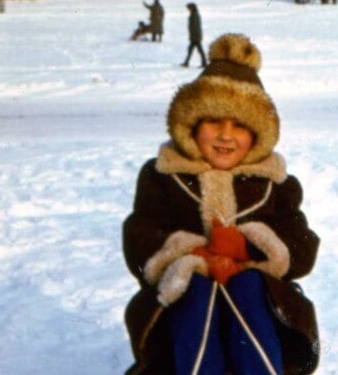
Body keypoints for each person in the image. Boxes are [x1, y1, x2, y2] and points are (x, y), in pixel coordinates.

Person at [123, 33, 320, 375]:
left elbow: (302, 248)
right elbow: (139, 237)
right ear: (191, 126)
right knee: (196, 290)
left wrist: (247, 248)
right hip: (184, 307)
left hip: (258, 309)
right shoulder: (163, 176)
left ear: (259, 136)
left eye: (240, 126)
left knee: (247, 285)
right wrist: (197, 256)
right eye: (214, 121)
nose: (226, 135)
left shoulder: (275, 183)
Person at [181, 3, 207, 68]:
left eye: (189, 8)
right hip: (195, 36)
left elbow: (195, 27)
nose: (188, 10)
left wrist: (194, 37)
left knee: (197, 50)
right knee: (193, 50)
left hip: (195, 37)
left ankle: (203, 63)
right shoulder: (194, 15)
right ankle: (187, 62)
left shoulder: (194, 15)